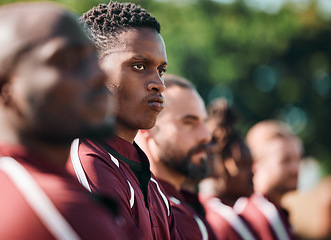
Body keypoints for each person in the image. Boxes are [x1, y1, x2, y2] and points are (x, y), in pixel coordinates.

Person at [0, 2, 127, 239]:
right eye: (68, 60)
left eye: (93, 58)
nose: (100, 75)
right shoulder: (53, 208)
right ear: (7, 89)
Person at [66, 2, 180, 239]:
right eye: (139, 66)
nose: (159, 83)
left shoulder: (154, 187)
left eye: (161, 69)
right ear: (92, 71)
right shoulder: (87, 163)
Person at [136, 74, 218, 240]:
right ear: (146, 127)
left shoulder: (183, 206)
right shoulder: (145, 213)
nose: (206, 136)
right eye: (188, 122)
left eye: (204, 122)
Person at [199, 97, 258, 240]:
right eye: (243, 164)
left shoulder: (229, 215)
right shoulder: (221, 220)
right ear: (217, 161)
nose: (252, 172)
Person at [235, 120, 302, 240]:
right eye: (285, 160)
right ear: (255, 164)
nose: (295, 168)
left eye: (298, 159)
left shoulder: (271, 210)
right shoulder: (264, 214)